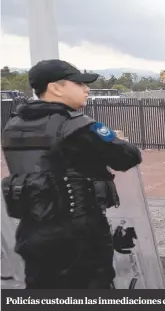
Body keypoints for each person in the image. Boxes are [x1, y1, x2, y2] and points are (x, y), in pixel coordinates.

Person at [1, 59, 143, 289]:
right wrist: (114, 140)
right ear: (55, 87)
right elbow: (128, 156)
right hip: (80, 240)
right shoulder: (79, 127)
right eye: (79, 84)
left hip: (32, 234)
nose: (86, 89)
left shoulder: (13, 126)